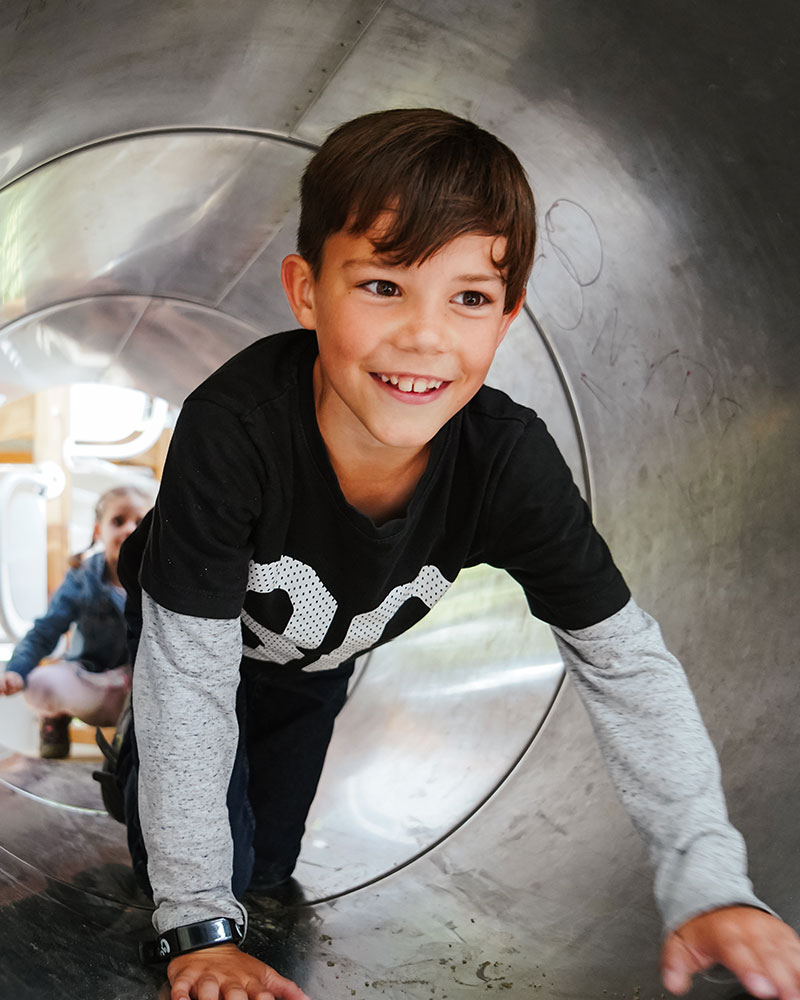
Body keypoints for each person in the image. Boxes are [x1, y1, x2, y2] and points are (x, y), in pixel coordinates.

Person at [115, 109, 800, 1000]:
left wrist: (707, 880)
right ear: (307, 291)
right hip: (191, 643)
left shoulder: (503, 461)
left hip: (316, 667)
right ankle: (131, 763)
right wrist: (198, 924)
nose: (426, 337)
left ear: (508, 315)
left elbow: (626, 666)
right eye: (383, 286)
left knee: (270, 866)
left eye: (469, 297)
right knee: (215, 876)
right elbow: (190, 676)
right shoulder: (235, 425)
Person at [1, 485, 150, 758]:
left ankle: (132, 751)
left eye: (140, 523)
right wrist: (17, 670)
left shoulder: (156, 580)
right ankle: (55, 721)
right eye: (118, 521)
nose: (130, 529)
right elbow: (46, 630)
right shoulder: (83, 577)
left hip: (135, 688)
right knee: (38, 684)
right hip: (89, 679)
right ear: (98, 531)